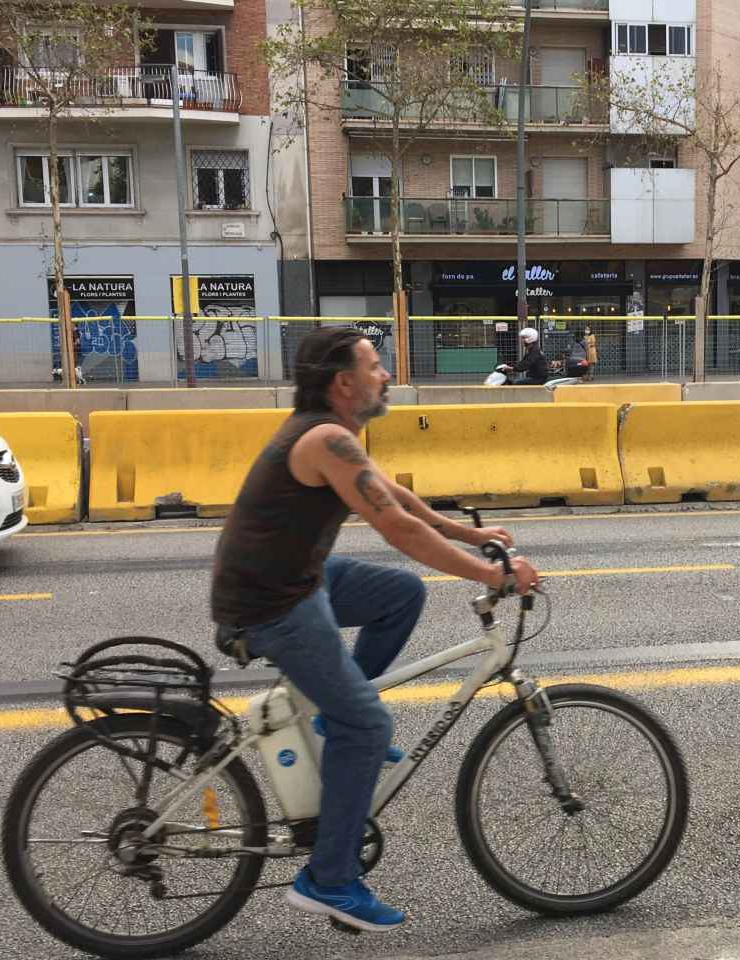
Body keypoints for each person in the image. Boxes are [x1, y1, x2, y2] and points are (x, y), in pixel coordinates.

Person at [210, 327, 540, 932]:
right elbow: (398, 530)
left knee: (400, 593)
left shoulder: (336, 435)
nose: (385, 374)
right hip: (271, 604)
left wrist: (471, 536)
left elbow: (394, 497)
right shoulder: (326, 439)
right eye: (374, 365)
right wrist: (495, 579)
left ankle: (334, 717)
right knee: (369, 724)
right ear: (343, 383)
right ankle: (329, 879)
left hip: (296, 578)